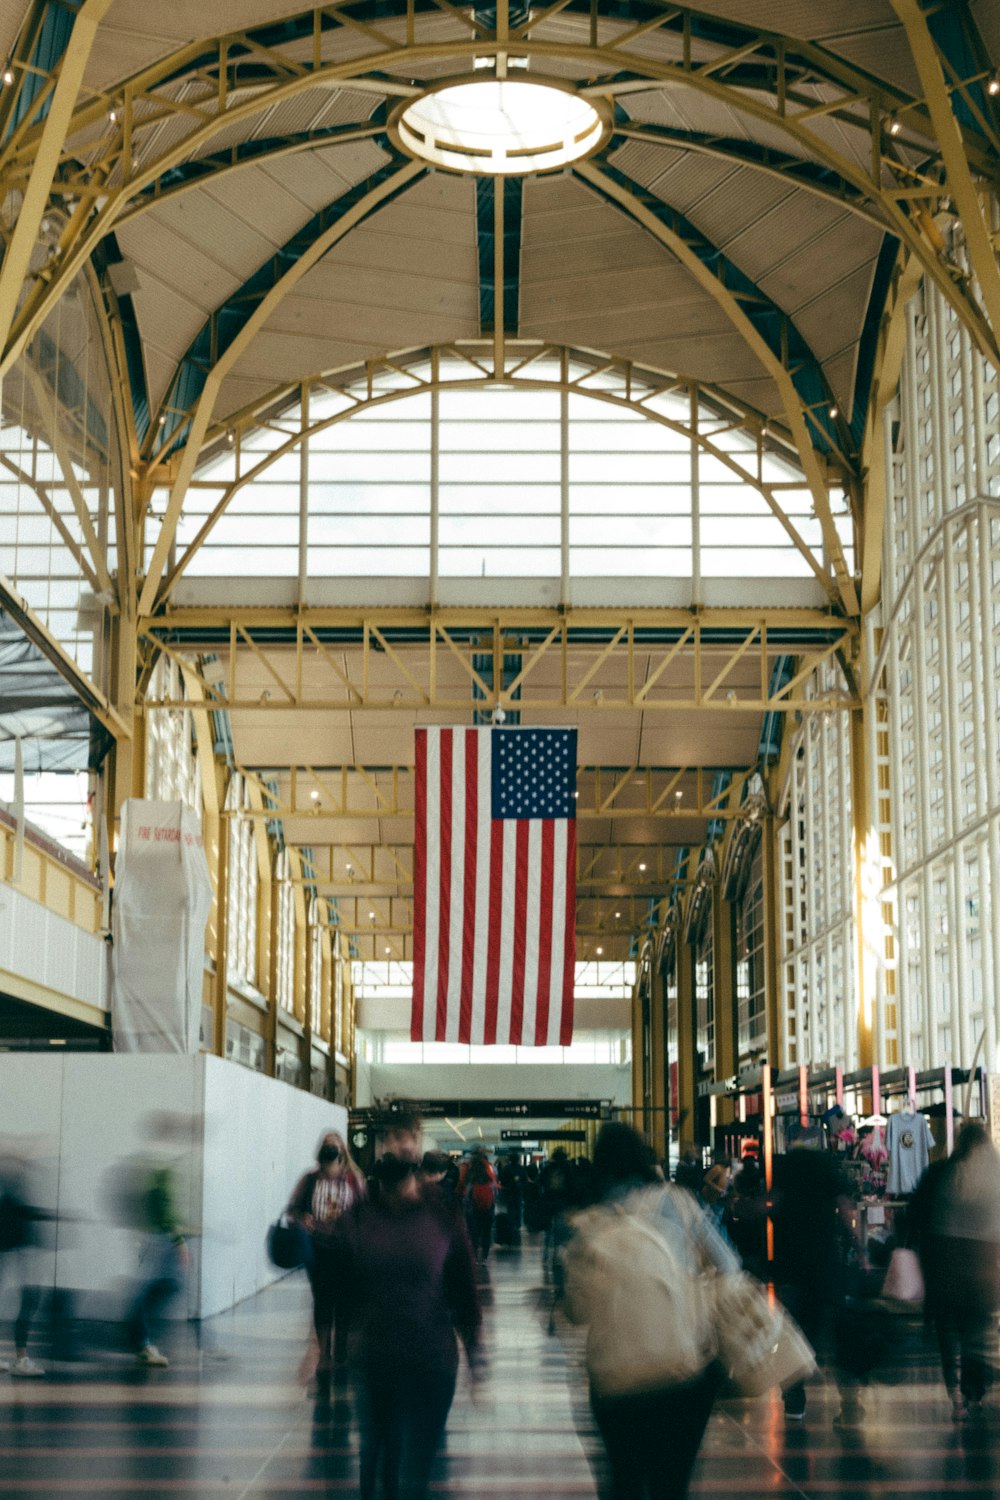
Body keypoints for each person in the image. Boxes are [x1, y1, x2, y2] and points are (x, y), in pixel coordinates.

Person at [563, 1121, 737, 1500]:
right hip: (682, 1368)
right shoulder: (679, 1201)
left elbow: (577, 1311)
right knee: (670, 1486)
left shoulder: (590, 1219)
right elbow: (728, 1266)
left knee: (624, 1482)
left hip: (615, 1377)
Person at [339, 1146, 482, 1500]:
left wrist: (476, 1351)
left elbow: (464, 1288)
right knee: (376, 1454)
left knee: (413, 1468)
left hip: (430, 1360)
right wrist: (326, 1343)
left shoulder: (443, 1215)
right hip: (376, 1358)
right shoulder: (359, 1216)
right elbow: (342, 1285)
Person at [911, 1120, 1000, 1419]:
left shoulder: (940, 1172)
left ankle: (956, 1393)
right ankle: (975, 1389)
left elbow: (916, 1213)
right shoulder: (995, 1175)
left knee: (948, 1333)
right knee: (977, 1329)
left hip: (944, 1266)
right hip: (982, 1266)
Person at [771, 1142, 856, 1421]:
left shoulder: (786, 1172)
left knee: (794, 1331)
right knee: (836, 1330)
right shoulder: (828, 1172)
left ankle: (794, 1399)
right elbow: (846, 1209)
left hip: (792, 1263)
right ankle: (848, 1400)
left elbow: (771, 1201)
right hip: (825, 1262)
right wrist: (860, 1248)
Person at [288, 1130, 366, 1375]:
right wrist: (303, 1218)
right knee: (322, 1300)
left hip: (347, 1250)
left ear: (343, 1151)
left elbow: (365, 1213)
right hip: (318, 1248)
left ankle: (340, 1351)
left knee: (344, 1303)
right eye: (327, 1146)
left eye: (335, 1146)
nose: (331, 1150)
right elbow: (292, 1210)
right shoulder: (310, 1179)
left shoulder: (354, 1178)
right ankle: (324, 1352)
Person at [0, 1152, 48, 1377]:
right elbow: (23, 1213)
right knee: (29, 1300)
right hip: (20, 1250)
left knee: (29, 1300)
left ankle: (21, 1357)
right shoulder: (14, 1188)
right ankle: (21, 1359)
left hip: (16, 1250)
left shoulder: (13, 1187)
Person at [462, 1148, 498, 1263]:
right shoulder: (490, 1181)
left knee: (474, 1233)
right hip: (488, 1210)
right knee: (486, 1233)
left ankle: (474, 1256)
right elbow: (495, 1194)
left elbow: (466, 1196)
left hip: (474, 1210)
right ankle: (485, 1257)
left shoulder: (471, 1181)